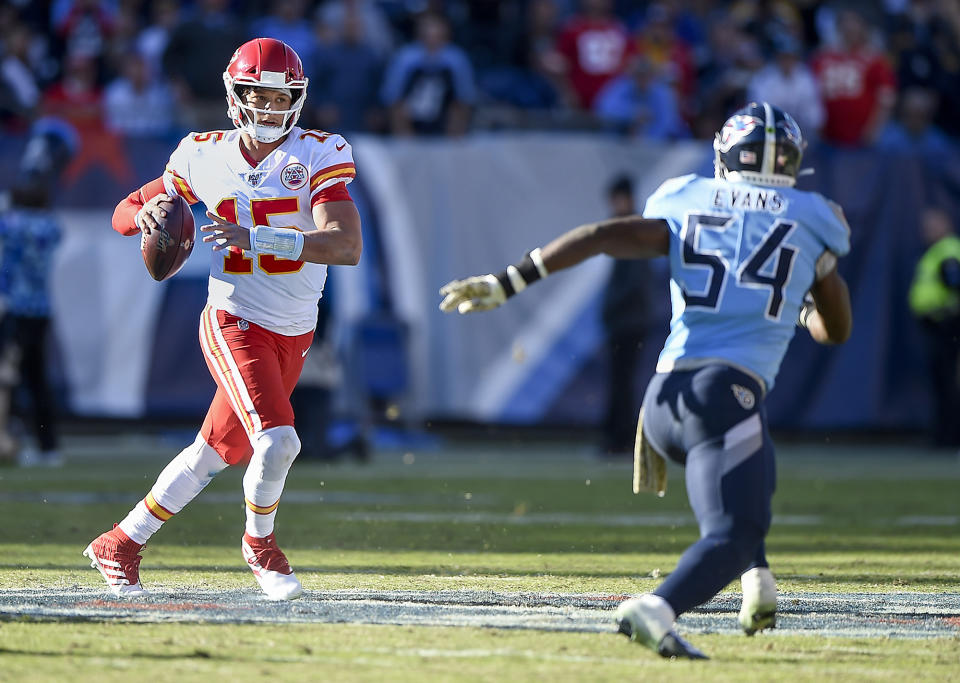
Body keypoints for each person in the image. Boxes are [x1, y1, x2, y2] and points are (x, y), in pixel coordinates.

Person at [440, 102, 852, 658]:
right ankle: (657, 607)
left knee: (752, 490)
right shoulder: (813, 215)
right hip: (722, 395)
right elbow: (836, 330)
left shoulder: (687, 196)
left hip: (663, 399)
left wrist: (510, 281)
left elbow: (601, 234)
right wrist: (808, 293)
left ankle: (758, 578)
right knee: (732, 529)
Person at [83, 37, 362, 601]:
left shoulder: (318, 152)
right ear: (236, 96)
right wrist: (146, 218)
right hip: (236, 318)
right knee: (279, 441)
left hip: (295, 327)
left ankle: (120, 543)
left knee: (215, 452)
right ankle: (261, 547)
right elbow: (122, 210)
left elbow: (345, 244)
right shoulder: (202, 154)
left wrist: (258, 237)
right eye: (259, 96)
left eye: (283, 99)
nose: (270, 109)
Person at [598, 175, 652, 457]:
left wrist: (610, 309)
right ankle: (615, 435)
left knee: (623, 383)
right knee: (620, 382)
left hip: (629, 321)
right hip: (626, 319)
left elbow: (633, 282)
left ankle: (621, 438)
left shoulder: (632, 230)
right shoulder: (627, 229)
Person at [908, 207, 960, 448]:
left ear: (944, 224)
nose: (926, 230)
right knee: (941, 382)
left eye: (931, 225)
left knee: (948, 382)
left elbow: (954, 284)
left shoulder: (948, 250)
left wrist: (948, 314)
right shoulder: (936, 251)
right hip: (936, 327)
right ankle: (943, 436)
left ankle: (949, 438)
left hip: (947, 327)